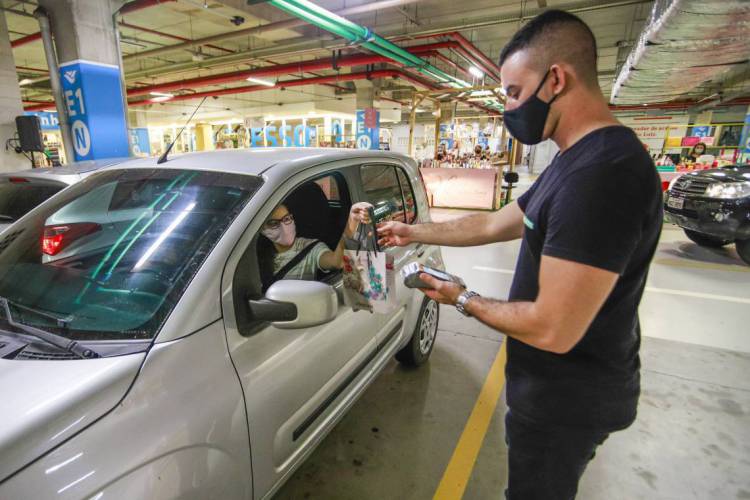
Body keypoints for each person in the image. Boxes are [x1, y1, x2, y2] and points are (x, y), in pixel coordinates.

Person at [378, 9, 662, 500]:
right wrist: (411, 229)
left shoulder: (601, 176)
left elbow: (554, 327)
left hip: (566, 398)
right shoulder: (573, 160)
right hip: (555, 388)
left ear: (555, 79)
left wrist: (461, 298)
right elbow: (492, 222)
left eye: (513, 92)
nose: (508, 108)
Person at [259, 201, 372, 287]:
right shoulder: (255, 252)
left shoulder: (311, 248)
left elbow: (336, 262)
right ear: (263, 229)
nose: (283, 226)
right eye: (274, 223)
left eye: (287, 219)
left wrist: (351, 223)